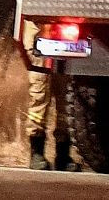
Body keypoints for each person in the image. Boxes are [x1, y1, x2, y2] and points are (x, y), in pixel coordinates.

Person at [21, 18, 76, 171]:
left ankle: (63, 154)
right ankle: (37, 152)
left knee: (66, 97)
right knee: (39, 95)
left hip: (65, 33)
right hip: (39, 32)